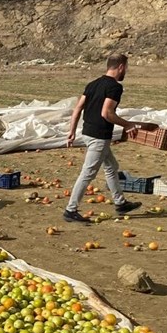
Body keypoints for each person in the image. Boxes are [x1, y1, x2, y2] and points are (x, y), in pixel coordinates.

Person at [64, 53, 157, 222]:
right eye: (126, 68)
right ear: (121, 66)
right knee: (88, 173)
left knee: (111, 166)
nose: (126, 72)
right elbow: (106, 113)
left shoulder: (92, 84)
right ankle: (71, 210)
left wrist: (71, 131)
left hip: (87, 133)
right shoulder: (115, 87)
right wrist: (128, 125)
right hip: (99, 136)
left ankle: (120, 203)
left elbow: (77, 108)